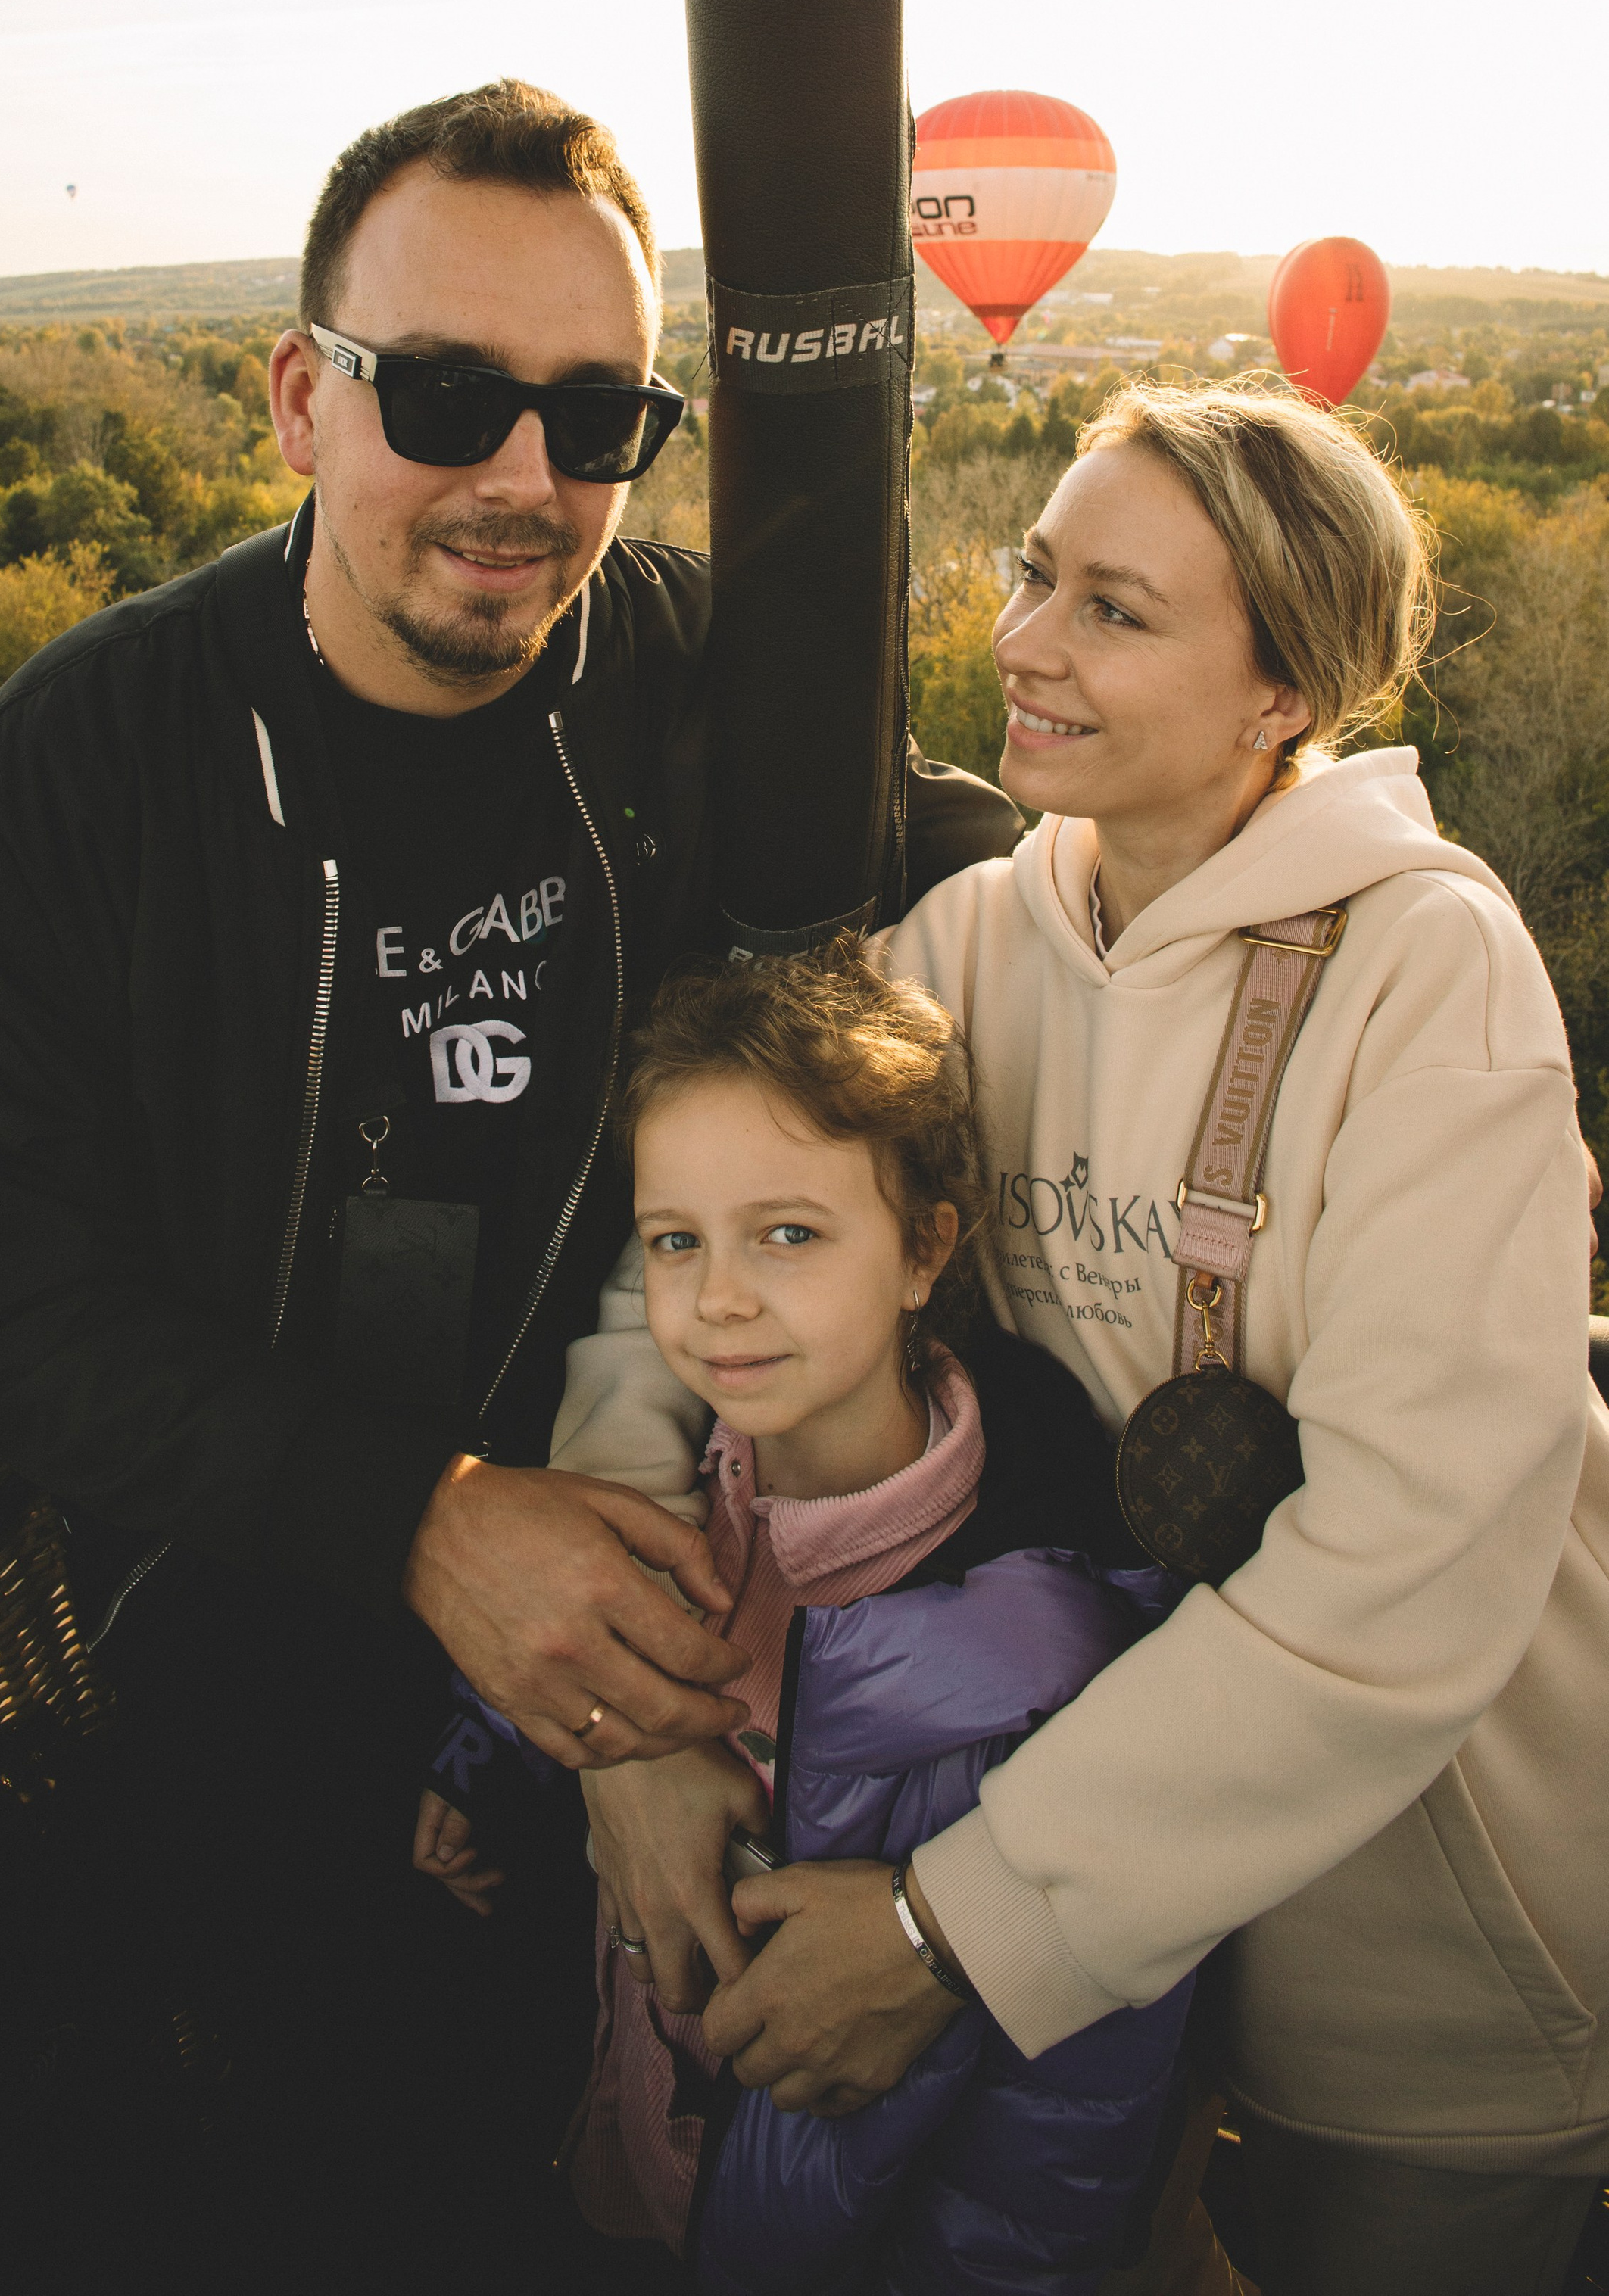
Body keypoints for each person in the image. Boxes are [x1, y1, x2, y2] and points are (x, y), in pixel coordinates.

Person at [0, 77, 1016, 2270]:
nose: (524, 480)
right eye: (448, 396)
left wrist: (1337, 941)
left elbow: (970, 870)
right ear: (301, 399)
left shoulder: (684, 676)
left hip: (684, 1603)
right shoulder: (84, 770)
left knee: (683, 2157)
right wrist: (424, 1522)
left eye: (597, 421)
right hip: (259, 1640)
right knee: (354, 2162)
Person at [568, 377, 1609, 2296]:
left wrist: (949, 1931)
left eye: (1114, 612)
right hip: (1089, 1933)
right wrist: (612, 1709)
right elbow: (697, 1265)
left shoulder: (1422, 976)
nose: (1023, 644)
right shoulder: (969, 942)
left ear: (1281, 695)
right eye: (1033, 574)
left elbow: (1413, 1559)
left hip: (1413, 1952)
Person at [414, 947, 1215, 2293]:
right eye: (680, 1241)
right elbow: (566, 1646)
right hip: (654, 2146)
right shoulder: (665, 1498)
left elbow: (1062, 2121)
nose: (720, 1295)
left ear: (922, 1253)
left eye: (788, 1233)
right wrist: (488, 1755)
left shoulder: (1030, 1657)